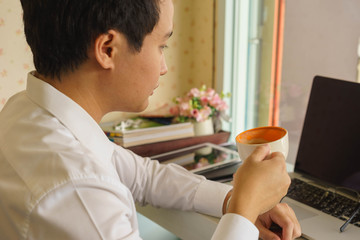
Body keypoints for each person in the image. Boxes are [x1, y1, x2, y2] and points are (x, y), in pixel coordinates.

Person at [0, 0, 301, 239]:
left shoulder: (25, 110)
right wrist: (244, 210)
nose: (164, 67)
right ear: (108, 49)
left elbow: (142, 176)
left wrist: (235, 201)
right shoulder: (79, 192)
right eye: (161, 45)